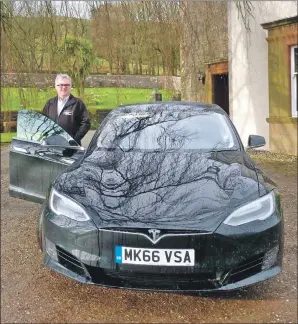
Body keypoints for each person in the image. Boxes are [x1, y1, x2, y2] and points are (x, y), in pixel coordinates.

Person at [42, 73, 91, 145]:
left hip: (70, 147)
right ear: (55, 86)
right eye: (61, 85)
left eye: (67, 85)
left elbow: (86, 123)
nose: (64, 87)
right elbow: (43, 121)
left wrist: (74, 140)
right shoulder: (50, 103)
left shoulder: (77, 103)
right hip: (51, 145)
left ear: (71, 86)